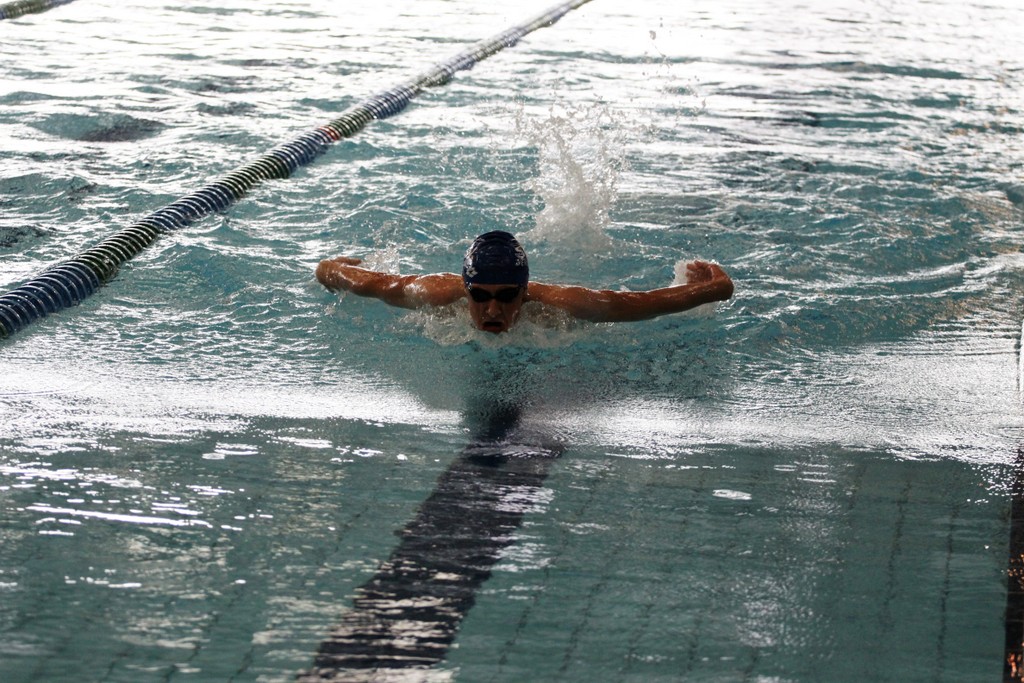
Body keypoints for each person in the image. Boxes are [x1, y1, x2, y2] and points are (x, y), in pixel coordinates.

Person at [316, 231, 733, 334]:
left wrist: (713, 287)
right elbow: (351, 278)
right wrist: (331, 266)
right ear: (465, 288)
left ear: (525, 291)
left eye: (507, 297)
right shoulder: (431, 293)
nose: (492, 310)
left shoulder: (564, 304)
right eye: (479, 296)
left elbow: (641, 304)